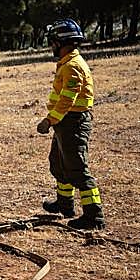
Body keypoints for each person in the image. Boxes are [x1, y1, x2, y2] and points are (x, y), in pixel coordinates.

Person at [36, 19, 104, 229]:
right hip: (65, 122)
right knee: (58, 163)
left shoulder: (73, 66)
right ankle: (65, 204)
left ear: (60, 42)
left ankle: (94, 216)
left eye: (53, 42)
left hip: (73, 122)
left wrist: (49, 120)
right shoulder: (67, 63)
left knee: (76, 167)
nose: (51, 46)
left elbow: (68, 100)